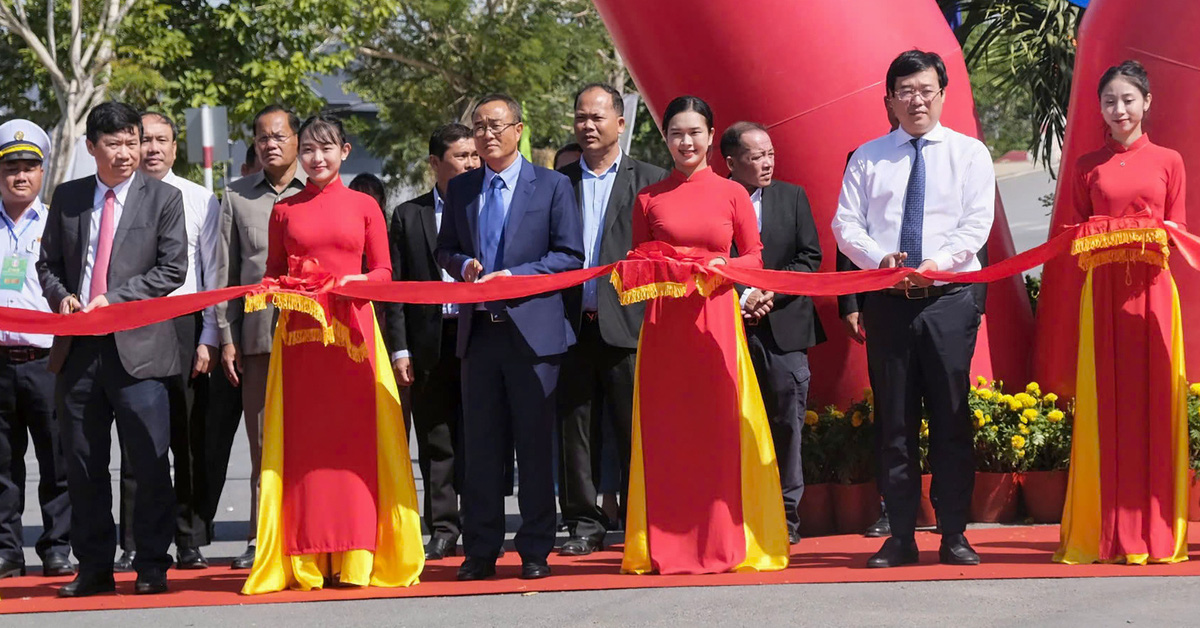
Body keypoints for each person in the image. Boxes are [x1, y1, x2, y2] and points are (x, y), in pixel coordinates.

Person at [243, 114, 423, 593]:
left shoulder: (365, 206)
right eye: (308, 150)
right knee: (305, 449)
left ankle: (358, 556)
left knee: (354, 447)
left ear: (345, 151)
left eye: (326, 149)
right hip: (301, 343)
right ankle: (306, 562)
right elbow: (272, 276)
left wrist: (352, 282)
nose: (315, 158)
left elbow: (384, 273)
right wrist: (285, 287)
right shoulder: (285, 211)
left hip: (354, 339)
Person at [832, 50, 994, 568]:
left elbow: (977, 225)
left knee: (950, 419)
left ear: (943, 94)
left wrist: (936, 263)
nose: (916, 100)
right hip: (889, 304)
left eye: (926, 90)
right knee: (895, 424)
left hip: (947, 301)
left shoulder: (970, 154)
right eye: (905, 91)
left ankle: (954, 534)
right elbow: (845, 225)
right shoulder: (868, 156)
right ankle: (900, 534)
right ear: (889, 100)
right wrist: (880, 259)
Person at [620, 95, 788, 575]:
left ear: (712, 137)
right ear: (666, 139)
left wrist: (723, 266)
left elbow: (756, 257)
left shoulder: (733, 193)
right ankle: (667, 545)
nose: (685, 141)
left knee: (717, 434)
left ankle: (724, 540)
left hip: (716, 322)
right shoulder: (648, 198)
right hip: (664, 328)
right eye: (676, 133)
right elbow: (637, 262)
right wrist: (657, 266)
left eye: (694, 132)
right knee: (668, 436)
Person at [37, 101, 188, 596]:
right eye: (115, 144)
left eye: (133, 142)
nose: (126, 153)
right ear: (91, 147)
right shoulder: (69, 196)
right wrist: (63, 297)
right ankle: (95, 567)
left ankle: (150, 565)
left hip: (140, 352)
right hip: (78, 351)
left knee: (147, 462)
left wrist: (115, 299)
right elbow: (48, 264)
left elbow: (172, 269)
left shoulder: (162, 197)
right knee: (83, 465)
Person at [435, 93, 584, 581]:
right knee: (480, 449)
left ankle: (536, 548)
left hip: (534, 337)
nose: (487, 134)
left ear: (519, 129)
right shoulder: (462, 190)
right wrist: (464, 265)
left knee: (536, 447)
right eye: (479, 126)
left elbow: (569, 255)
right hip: (479, 335)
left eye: (496, 125)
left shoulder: (554, 185)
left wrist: (515, 276)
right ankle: (481, 549)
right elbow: (446, 250)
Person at [1055, 60, 1190, 565]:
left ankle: (1156, 532)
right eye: (1110, 100)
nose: (1119, 109)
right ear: (1101, 108)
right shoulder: (1087, 164)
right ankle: (1106, 532)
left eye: (1128, 99)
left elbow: (1176, 228)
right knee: (1106, 402)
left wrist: (1148, 233)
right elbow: (1070, 234)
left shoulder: (1170, 160)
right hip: (1104, 293)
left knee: (1155, 402)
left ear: (1146, 102)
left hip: (1154, 293)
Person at [554, 83, 666, 557]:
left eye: (598, 117)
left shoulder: (651, 179)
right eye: (581, 117)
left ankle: (644, 517)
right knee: (575, 429)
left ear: (621, 123)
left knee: (634, 426)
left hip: (629, 323)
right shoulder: (558, 182)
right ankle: (584, 521)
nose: (588, 126)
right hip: (570, 322)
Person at [109, 112, 220, 572]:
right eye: (144, 140)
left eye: (161, 140)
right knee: (138, 438)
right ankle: (134, 540)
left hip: (186, 324)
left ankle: (188, 538)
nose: (152, 149)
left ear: (176, 148)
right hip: (134, 322)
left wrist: (209, 336)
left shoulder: (199, 198)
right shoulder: (116, 199)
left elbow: (212, 271)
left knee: (187, 438)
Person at [208, 105, 306, 571]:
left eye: (279, 135)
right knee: (264, 442)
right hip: (259, 338)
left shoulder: (322, 190)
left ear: (296, 139)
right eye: (262, 137)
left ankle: (313, 535)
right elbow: (225, 275)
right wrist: (226, 336)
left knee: (313, 441)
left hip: (316, 339)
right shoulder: (237, 197)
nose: (270, 144)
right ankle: (260, 537)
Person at [721, 121, 823, 546]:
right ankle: (736, 515)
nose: (766, 163)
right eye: (755, 156)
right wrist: (744, 296)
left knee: (787, 424)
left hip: (784, 329)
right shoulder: (714, 199)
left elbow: (809, 258)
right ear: (730, 162)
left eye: (770, 155)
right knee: (732, 422)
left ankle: (785, 517)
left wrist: (768, 293)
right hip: (729, 328)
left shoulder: (791, 196)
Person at [384, 123, 479, 561]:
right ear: (435, 164)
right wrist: (400, 350)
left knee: (481, 435)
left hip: (478, 332)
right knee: (436, 436)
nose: (471, 163)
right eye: (461, 156)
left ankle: (482, 520)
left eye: (475, 156)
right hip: (428, 339)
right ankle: (443, 525)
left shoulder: (486, 204)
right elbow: (397, 291)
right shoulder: (409, 215)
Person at [0, 119, 73, 579]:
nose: (20, 176)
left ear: (43, 172)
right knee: (2, 466)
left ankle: (56, 546)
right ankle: (7, 551)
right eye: (11, 167)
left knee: (57, 462)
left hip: (47, 360)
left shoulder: (58, 225)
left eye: (29, 166)